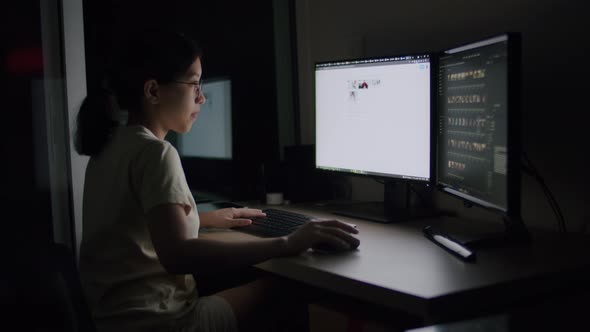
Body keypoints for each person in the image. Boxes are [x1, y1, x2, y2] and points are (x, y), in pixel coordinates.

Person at [74, 29, 360, 332]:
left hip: (114, 321)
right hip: (163, 323)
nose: (202, 96)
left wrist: (207, 218)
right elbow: (178, 255)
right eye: (194, 84)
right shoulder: (155, 153)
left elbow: (134, 226)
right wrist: (288, 242)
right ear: (153, 91)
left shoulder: (109, 146)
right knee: (288, 289)